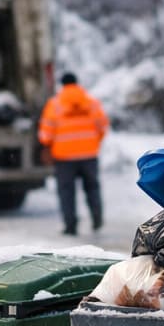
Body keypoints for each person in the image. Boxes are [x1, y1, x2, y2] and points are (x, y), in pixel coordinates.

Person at [38, 72, 110, 236]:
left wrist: (47, 146)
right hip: (89, 155)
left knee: (66, 191)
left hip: (64, 158)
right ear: (77, 83)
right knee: (92, 187)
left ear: (62, 85)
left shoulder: (55, 104)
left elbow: (45, 134)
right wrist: (92, 142)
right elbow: (103, 127)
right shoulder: (91, 103)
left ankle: (71, 226)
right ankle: (97, 219)